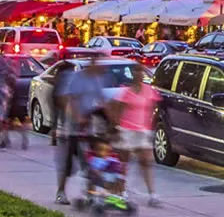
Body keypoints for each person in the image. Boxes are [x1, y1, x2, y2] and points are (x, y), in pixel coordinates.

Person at [55, 56, 113, 205]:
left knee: (92, 161)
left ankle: (90, 194)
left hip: (88, 126)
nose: (101, 69)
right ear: (92, 65)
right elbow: (69, 100)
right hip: (73, 128)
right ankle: (61, 192)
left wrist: (111, 121)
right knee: (69, 163)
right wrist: (78, 117)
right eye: (98, 65)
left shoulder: (97, 80)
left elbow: (102, 101)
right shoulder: (78, 78)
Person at [110, 63, 162, 205]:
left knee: (145, 161)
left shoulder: (149, 90)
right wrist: (117, 128)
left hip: (142, 130)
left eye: (140, 72)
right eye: (136, 72)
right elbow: (118, 110)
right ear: (132, 74)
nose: (138, 75)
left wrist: (151, 125)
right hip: (127, 129)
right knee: (124, 162)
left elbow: (154, 108)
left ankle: (152, 194)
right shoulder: (126, 92)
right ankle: (122, 190)